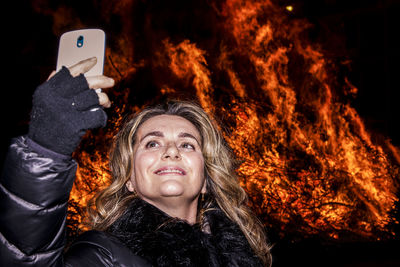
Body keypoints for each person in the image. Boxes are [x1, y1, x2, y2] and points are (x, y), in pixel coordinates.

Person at [0, 58, 272, 266]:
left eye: (187, 144)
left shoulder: (243, 256)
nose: (171, 151)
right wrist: (45, 149)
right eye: (152, 143)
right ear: (129, 179)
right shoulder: (103, 254)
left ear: (205, 181)